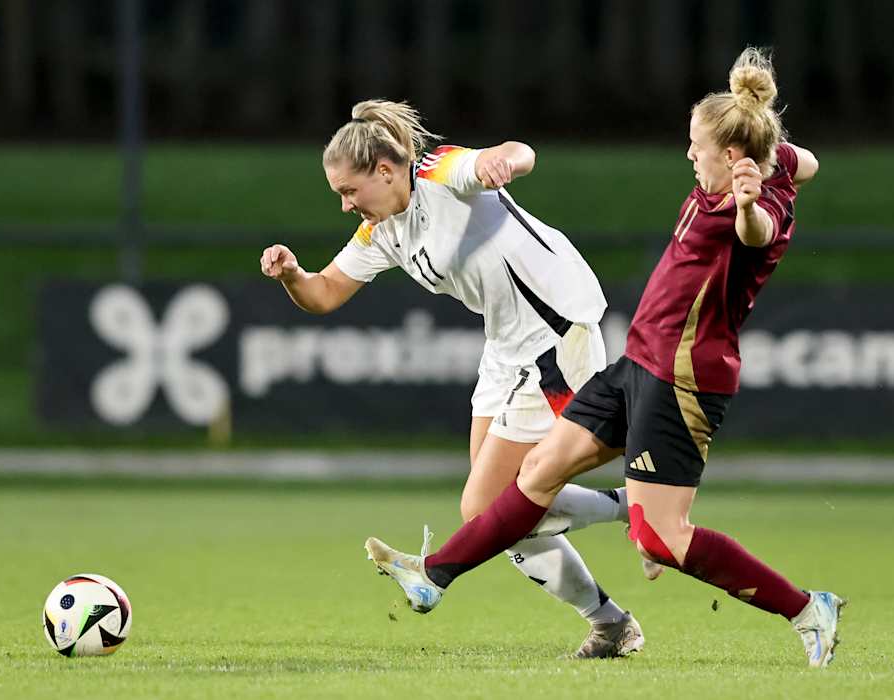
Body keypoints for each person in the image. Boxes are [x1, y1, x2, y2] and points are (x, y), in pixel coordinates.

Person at [365, 49, 846, 669]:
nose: (689, 154)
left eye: (696, 145)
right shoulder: (761, 169)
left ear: (730, 157)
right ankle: (435, 575)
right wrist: (777, 158)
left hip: (683, 382)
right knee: (536, 472)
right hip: (636, 364)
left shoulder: (758, 207)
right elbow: (804, 160)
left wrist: (752, 202)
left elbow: (755, 234)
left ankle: (809, 608)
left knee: (662, 539)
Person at [260, 99, 643, 658]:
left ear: (386, 172)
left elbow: (518, 152)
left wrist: (502, 163)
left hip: (556, 333)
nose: (346, 205)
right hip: (505, 346)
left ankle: (616, 593)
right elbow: (323, 293)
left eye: (349, 191)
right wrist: (293, 274)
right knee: (493, 514)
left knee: (488, 510)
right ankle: (625, 539)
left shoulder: (438, 173)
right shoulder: (383, 229)